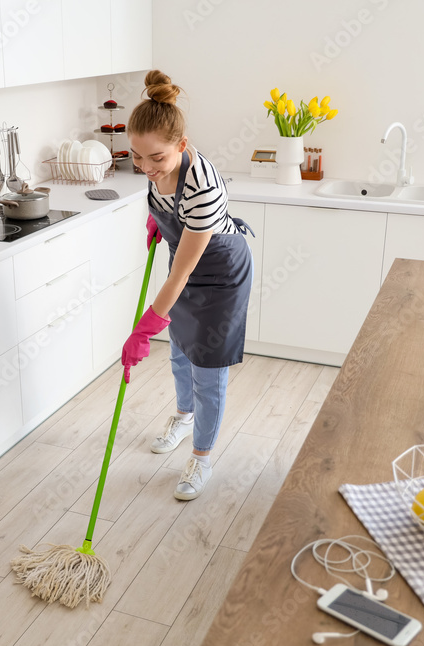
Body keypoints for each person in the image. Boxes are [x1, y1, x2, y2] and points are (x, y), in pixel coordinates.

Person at [121, 70, 254, 501]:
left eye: (156, 159)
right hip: (187, 260)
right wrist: (155, 220)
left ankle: (202, 456)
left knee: (207, 368)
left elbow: (180, 274)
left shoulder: (203, 188)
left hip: (218, 275)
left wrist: (144, 329)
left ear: (181, 146)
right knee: (180, 351)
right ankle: (182, 417)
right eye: (137, 157)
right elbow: (164, 202)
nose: (146, 167)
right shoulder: (155, 166)